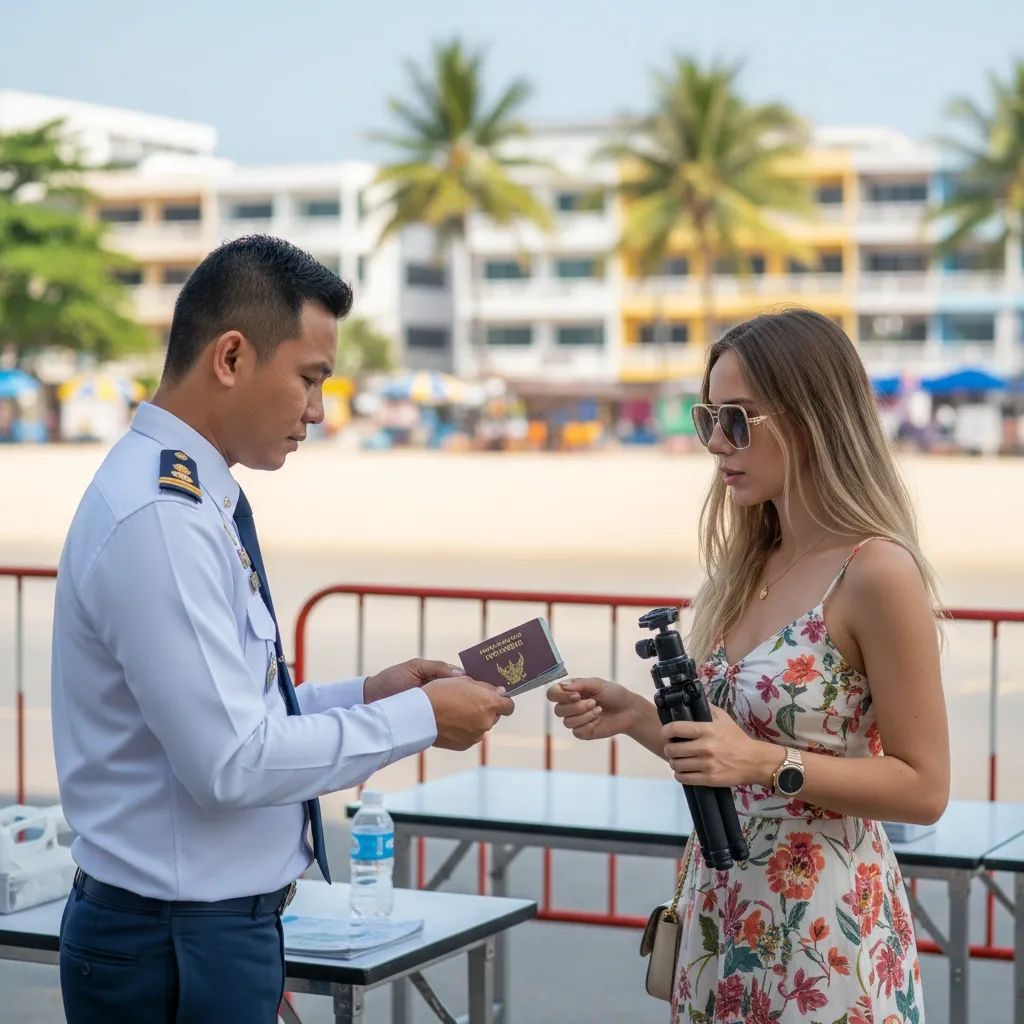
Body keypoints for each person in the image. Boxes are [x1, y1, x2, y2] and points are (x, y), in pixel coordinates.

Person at [51, 234, 514, 1024]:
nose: (317, 411)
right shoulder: (162, 518)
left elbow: (240, 712)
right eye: (309, 378)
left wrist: (370, 694)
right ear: (231, 357)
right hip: (175, 943)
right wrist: (418, 719)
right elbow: (233, 762)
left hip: (202, 931)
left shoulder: (190, 498)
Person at [548, 308, 949, 1023]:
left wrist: (766, 763)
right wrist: (635, 716)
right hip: (721, 909)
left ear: (811, 418)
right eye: (708, 418)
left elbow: (925, 788)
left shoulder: (876, 572)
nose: (714, 443)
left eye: (735, 419)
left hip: (826, 930)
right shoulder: (745, 565)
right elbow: (725, 751)